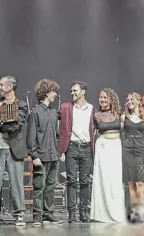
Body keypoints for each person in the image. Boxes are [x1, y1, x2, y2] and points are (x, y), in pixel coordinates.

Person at [0, 76, 28, 227]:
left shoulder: (21, 104)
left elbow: (18, 123)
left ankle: (19, 214)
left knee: (16, 183)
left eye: (1, 85)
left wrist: (2, 120)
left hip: (13, 147)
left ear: (10, 87)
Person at [58, 81, 95, 223]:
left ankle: (84, 211)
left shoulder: (91, 108)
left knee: (85, 181)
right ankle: (72, 213)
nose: (72, 93)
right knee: (71, 180)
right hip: (72, 147)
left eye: (75, 91)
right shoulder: (66, 107)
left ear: (83, 92)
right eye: (72, 91)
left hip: (86, 147)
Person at [27, 79, 62, 226]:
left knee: (50, 186)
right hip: (41, 156)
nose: (55, 94)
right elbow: (31, 137)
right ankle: (37, 215)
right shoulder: (35, 113)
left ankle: (48, 213)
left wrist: (59, 151)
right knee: (39, 187)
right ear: (47, 93)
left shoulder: (53, 112)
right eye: (53, 91)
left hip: (54, 155)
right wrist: (34, 156)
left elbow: (56, 134)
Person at [90, 88, 126, 223]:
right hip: (103, 146)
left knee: (115, 180)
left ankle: (116, 212)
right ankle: (101, 214)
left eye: (105, 97)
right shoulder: (96, 114)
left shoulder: (119, 114)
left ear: (111, 99)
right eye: (101, 97)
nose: (103, 100)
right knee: (103, 178)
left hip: (116, 146)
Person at [121, 93, 144, 221]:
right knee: (131, 183)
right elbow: (119, 133)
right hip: (127, 151)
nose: (129, 102)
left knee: (140, 183)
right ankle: (134, 211)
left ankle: (142, 210)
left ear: (138, 101)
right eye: (127, 100)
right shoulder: (124, 117)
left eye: (131, 99)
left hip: (140, 151)